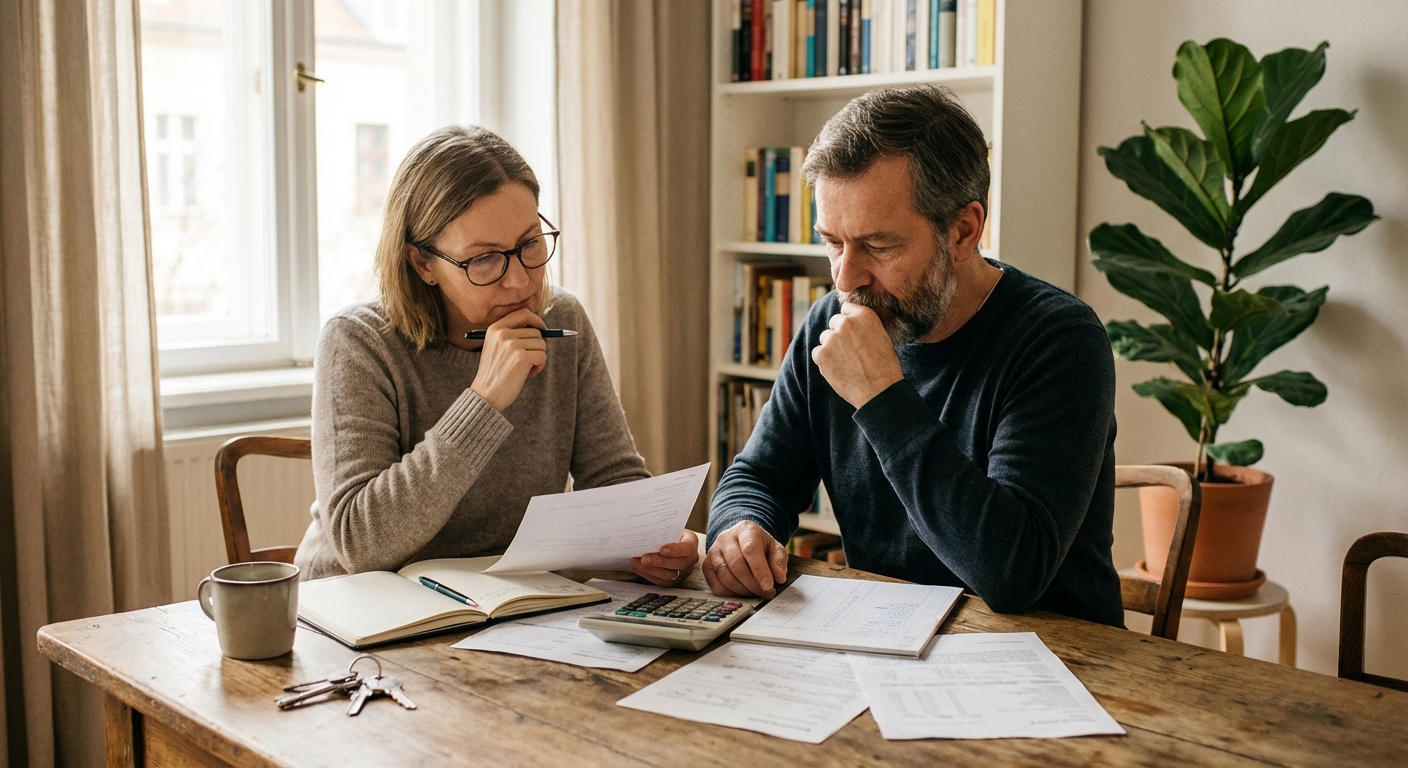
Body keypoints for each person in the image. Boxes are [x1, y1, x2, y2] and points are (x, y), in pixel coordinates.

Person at [703, 86, 1123, 626]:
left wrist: (880, 397)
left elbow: (1011, 573)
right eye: (833, 242)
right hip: (885, 645)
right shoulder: (830, 323)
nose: (845, 279)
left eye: (878, 247)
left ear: (964, 231)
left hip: (1056, 661)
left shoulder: (1059, 339)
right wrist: (743, 527)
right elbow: (758, 475)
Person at [294, 125, 697, 585]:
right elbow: (359, 543)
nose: (521, 281)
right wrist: (482, 403)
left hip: (506, 599)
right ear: (422, 263)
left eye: (529, 245)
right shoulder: (357, 343)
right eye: (484, 259)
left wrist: (652, 538)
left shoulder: (562, 318)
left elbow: (613, 476)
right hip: (359, 610)